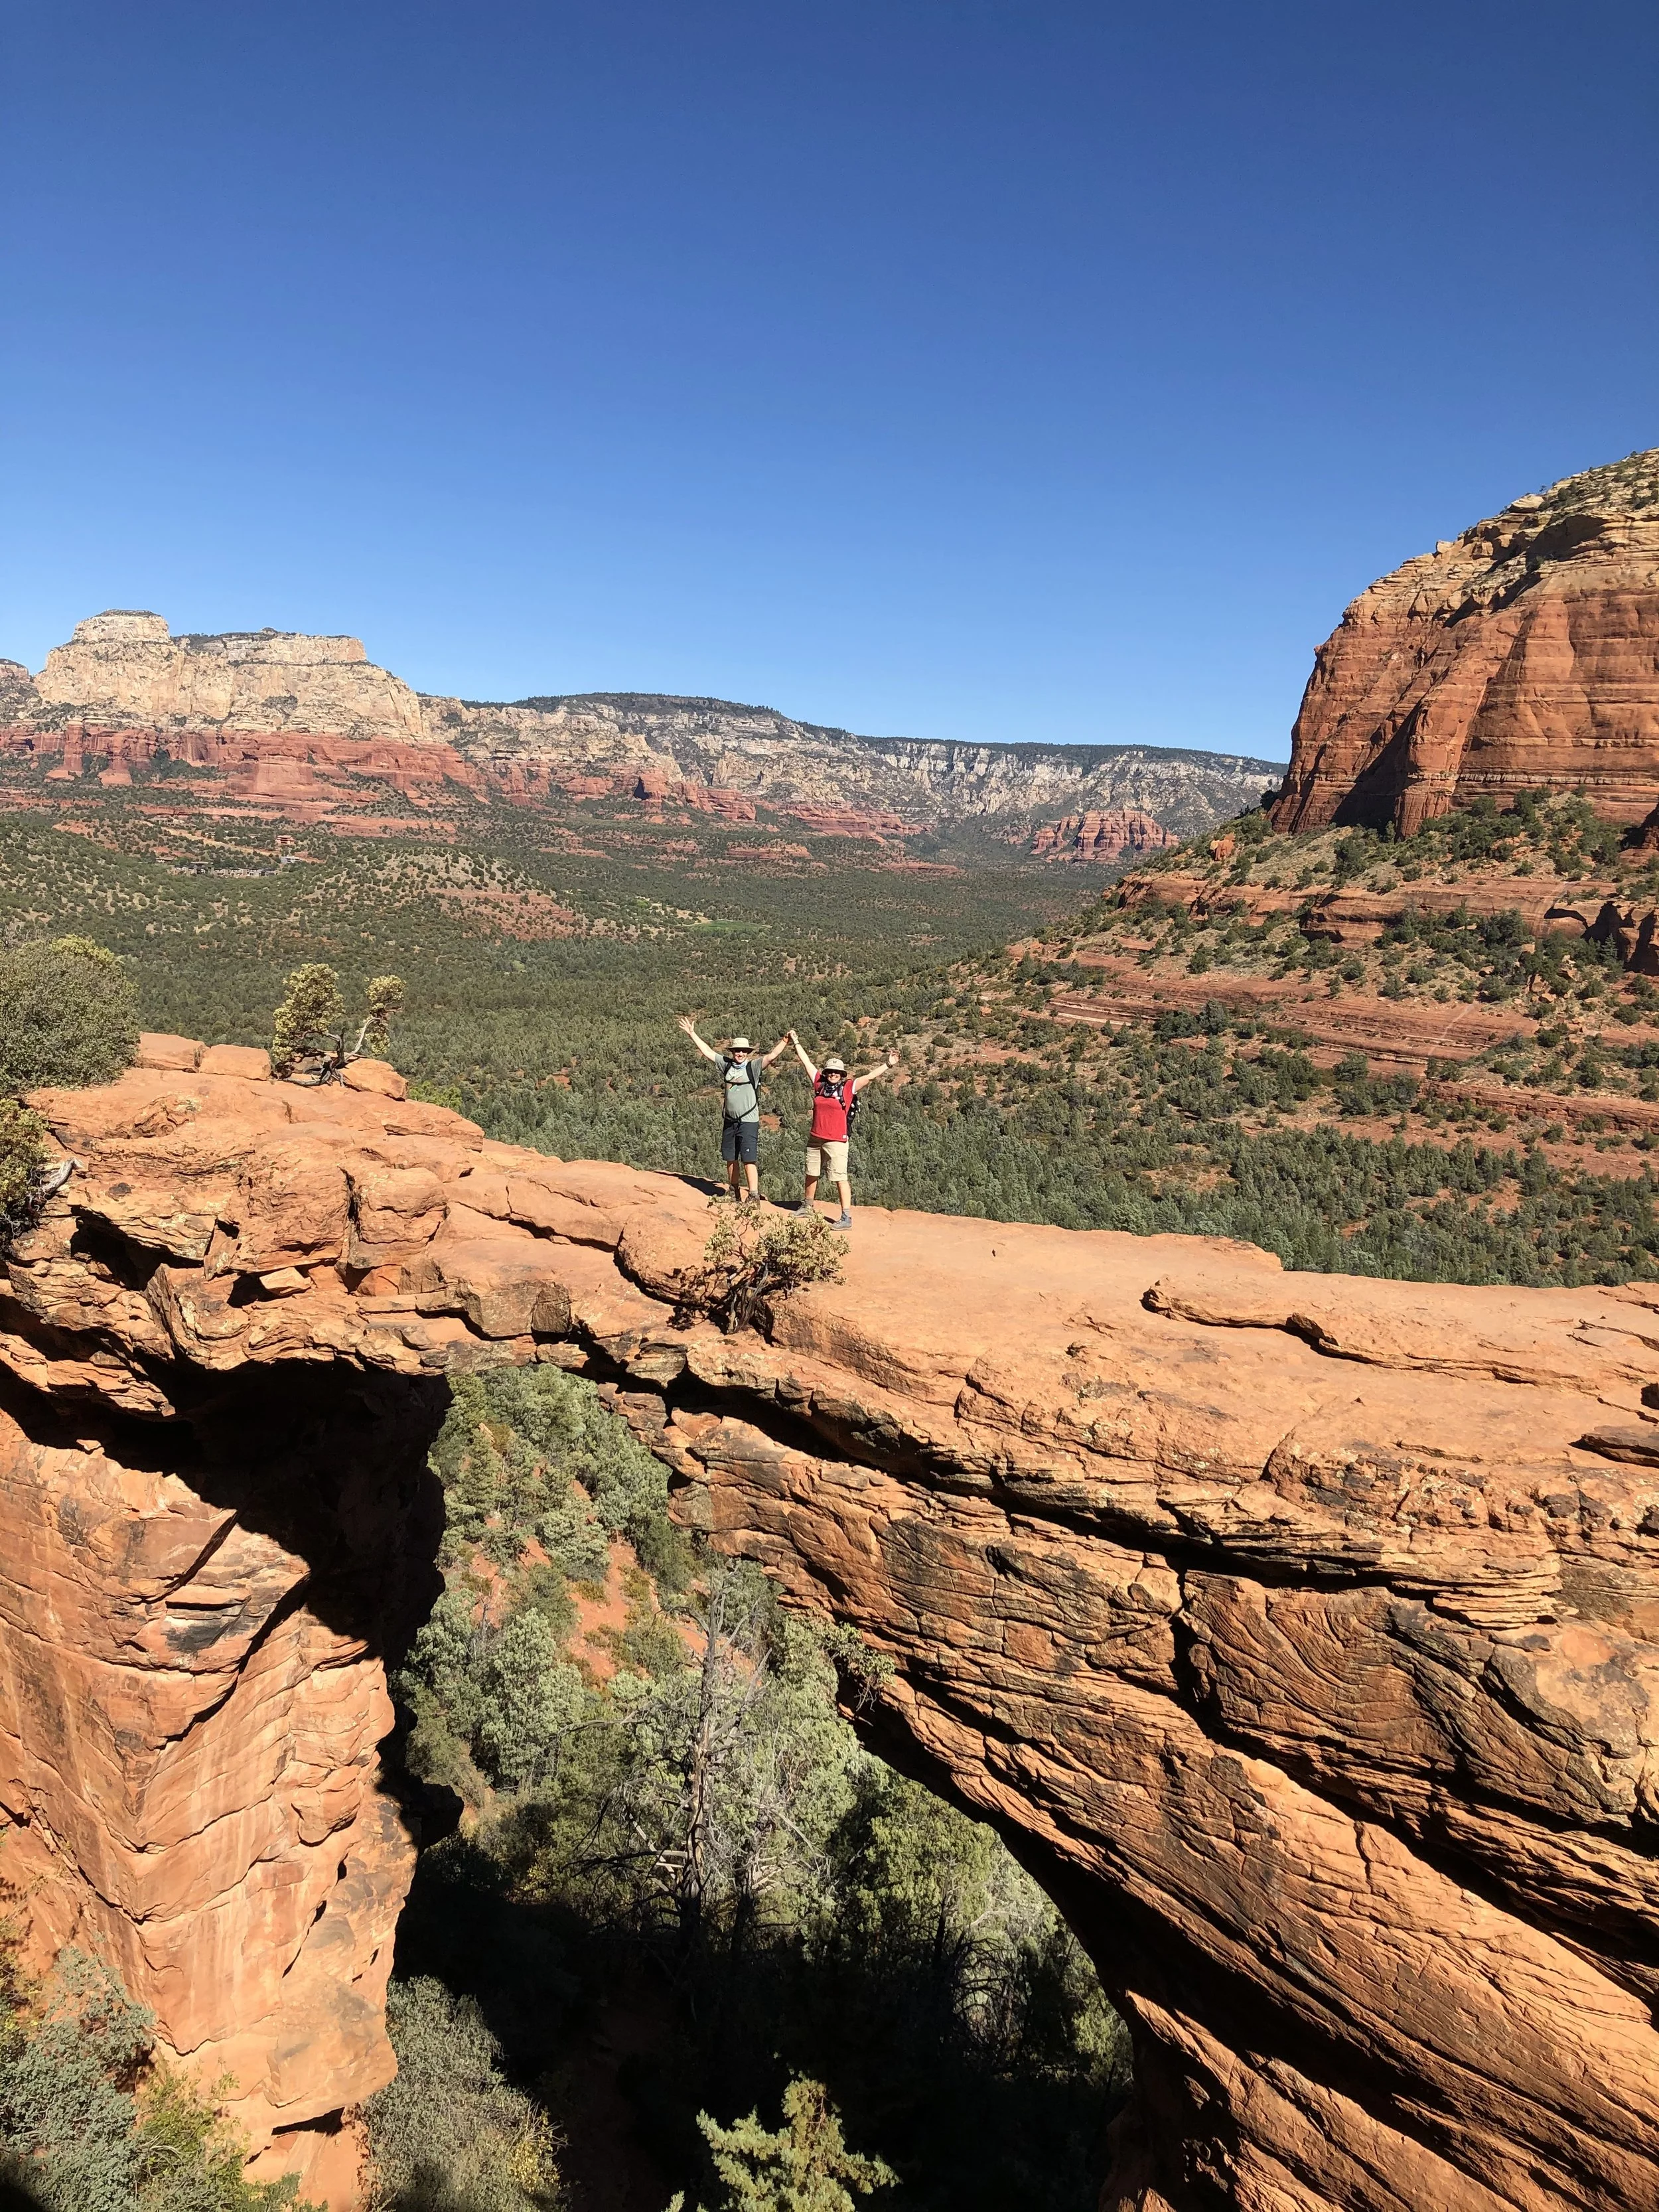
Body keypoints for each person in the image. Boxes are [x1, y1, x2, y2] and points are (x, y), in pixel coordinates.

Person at [787, 1031, 896, 1228]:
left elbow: (869, 1077)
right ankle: (807, 1206)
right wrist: (795, 1042)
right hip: (815, 1137)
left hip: (837, 1139)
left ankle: (846, 1218)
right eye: (830, 1071)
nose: (833, 1075)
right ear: (826, 1072)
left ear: (842, 1074)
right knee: (811, 1173)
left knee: (839, 1177)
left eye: (837, 1072)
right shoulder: (819, 1083)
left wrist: (888, 1064)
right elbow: (806, 1063)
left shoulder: (848, 1088)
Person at [678, 1016, 790, 1202]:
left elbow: (771, 1057)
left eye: (743, 1051)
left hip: (748, 1121)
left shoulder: (753, 1067)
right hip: (730, 1120)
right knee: (730, 1157)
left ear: (747, 1052)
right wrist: (692, 1034)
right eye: (737, 1050)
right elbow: (707, 1051)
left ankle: (753, 1196)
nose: (740, 1053)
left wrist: (785, 1041)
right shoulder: (727, 1065)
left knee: (749, 1159)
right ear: (733, 1052)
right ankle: (733, 1192)